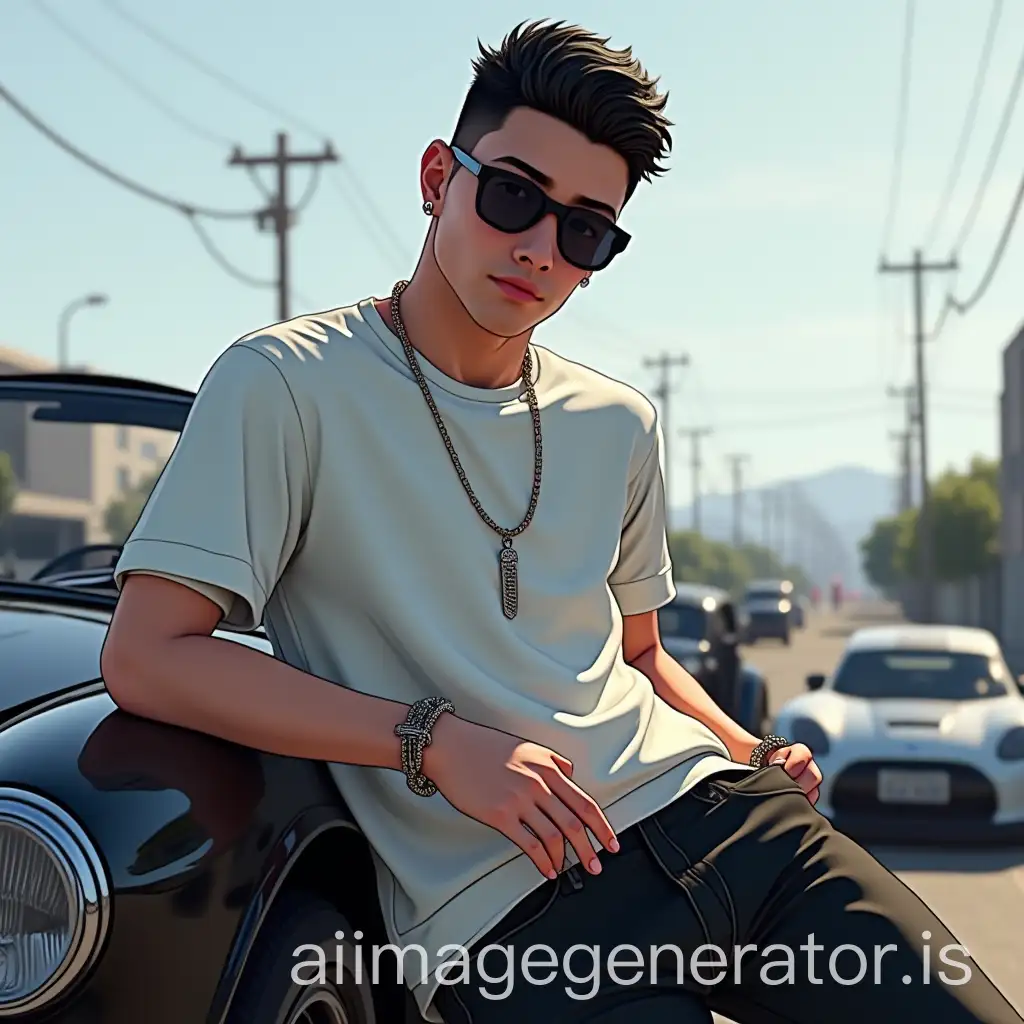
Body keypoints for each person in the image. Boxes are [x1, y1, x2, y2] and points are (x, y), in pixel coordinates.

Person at [101, 20, 1021, 1024]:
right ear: (435, 177)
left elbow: (636, 657)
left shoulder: (618, 423)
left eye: (584, 229)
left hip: (730, 826)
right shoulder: (284, 384)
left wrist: (744, 745)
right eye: (512, 197)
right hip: (515, 919)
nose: (540, 248)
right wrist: (432, 741)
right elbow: (151, 654)